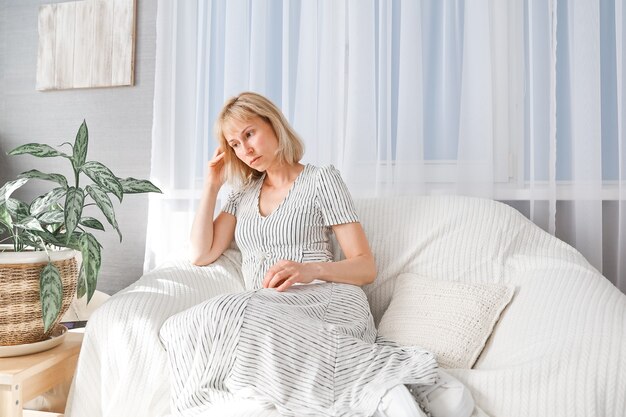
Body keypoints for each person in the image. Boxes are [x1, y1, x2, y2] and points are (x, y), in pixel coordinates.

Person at [169, 91, 474, 417]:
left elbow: (365, 266)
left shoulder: (320, 179)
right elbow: (201, 254)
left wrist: (309, 270)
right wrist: (212, 185)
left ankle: (390, 390)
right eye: (234, 144)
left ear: (273, 125)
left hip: (325, 299)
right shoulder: (242, 194)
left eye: (249, 134)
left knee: (236, 310)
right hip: (271, 310)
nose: (245, 149)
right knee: (180, 324)